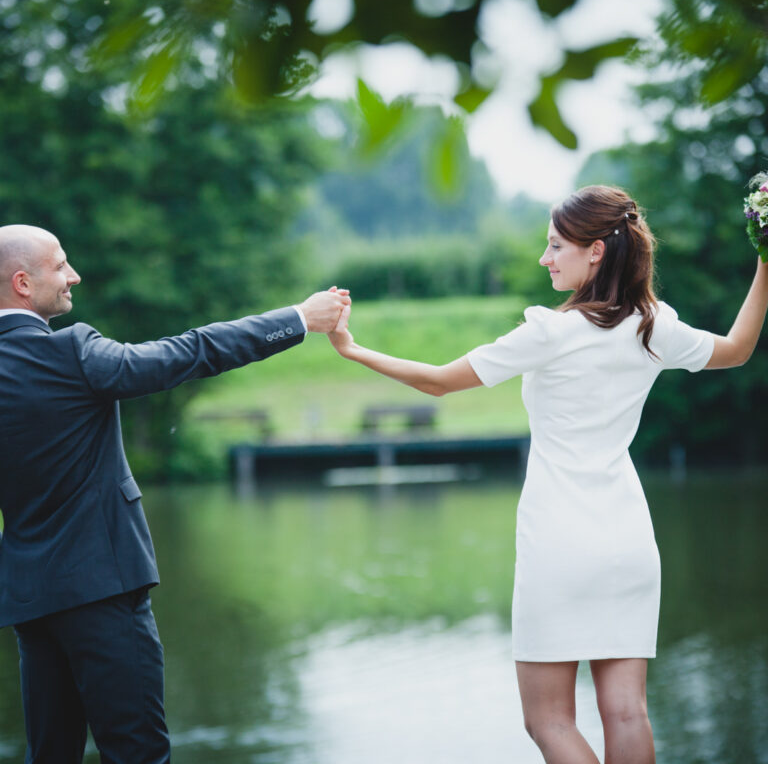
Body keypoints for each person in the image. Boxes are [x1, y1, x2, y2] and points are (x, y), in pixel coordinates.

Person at [327, 185, 768, 764]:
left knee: (548, 720)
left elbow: (437, 380)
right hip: (628, 539)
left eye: (556, 245)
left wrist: (351, 348)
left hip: (559, 540)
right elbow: (737, 349)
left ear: (596, 253)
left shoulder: (550, 332)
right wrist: (764, 256)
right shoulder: (652, 325)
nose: (545, 257)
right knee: (628, 711)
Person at [0, 223, 350, 764]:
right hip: (103, 592)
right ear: (23, 283)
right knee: (138, 753)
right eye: (60, 265)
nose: (74, 275)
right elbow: (189, 352)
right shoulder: (71, 353)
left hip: (30, 602)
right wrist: (299, 320)